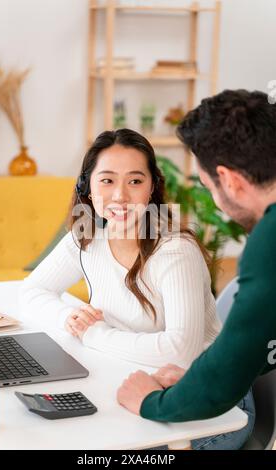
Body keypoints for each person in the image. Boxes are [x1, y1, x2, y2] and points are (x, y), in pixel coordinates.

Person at [117, 89, 276, 449]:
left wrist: (151, 402)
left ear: (230, 180)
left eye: (210, 187)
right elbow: (255, 342)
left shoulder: (270, 240)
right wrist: (196, 376)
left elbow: (224, 381)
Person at [20, 128, 221, 370]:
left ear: (151, 189)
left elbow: (180, 352)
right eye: (107, 180)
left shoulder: (176, 251)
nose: (120, 196)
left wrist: (92, 334)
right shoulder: (86, 237)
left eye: (135, 181)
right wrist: (69, 319)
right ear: (87, 188)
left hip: (206, 390)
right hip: (130, 370)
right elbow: (31, 291)